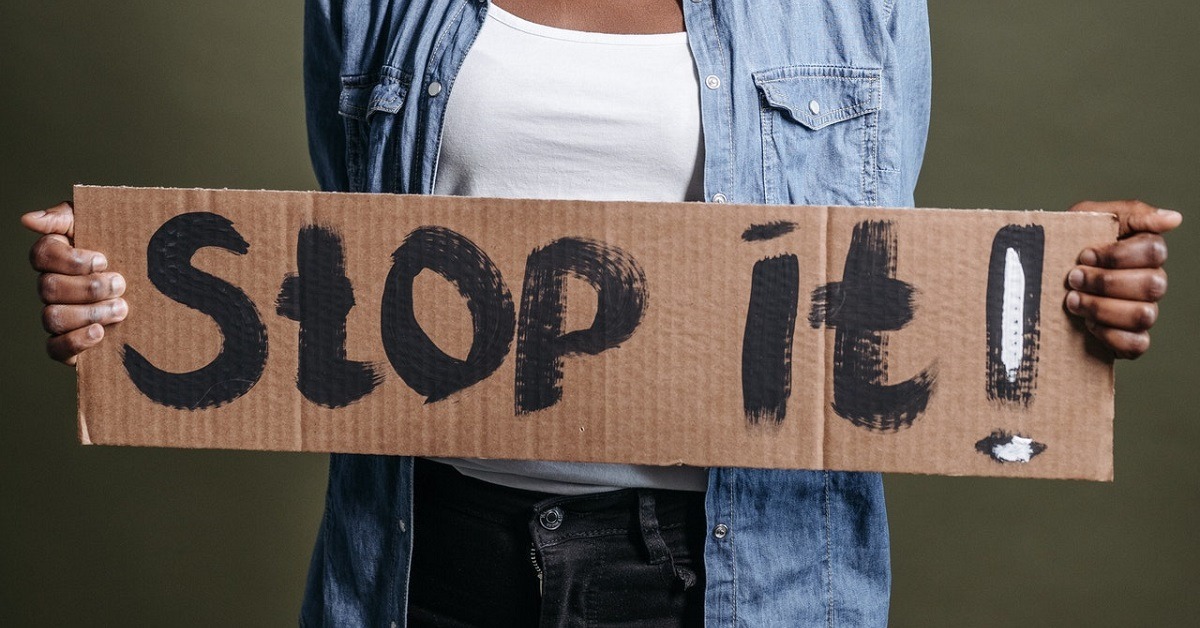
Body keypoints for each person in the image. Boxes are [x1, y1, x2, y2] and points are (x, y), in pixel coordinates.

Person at [20, 0, 1182, 626]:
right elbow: (331, 279)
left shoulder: (853, 6)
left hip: (735, 578)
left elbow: (880, 286)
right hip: (431, 556)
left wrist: (1053, 299)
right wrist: (131, 310)